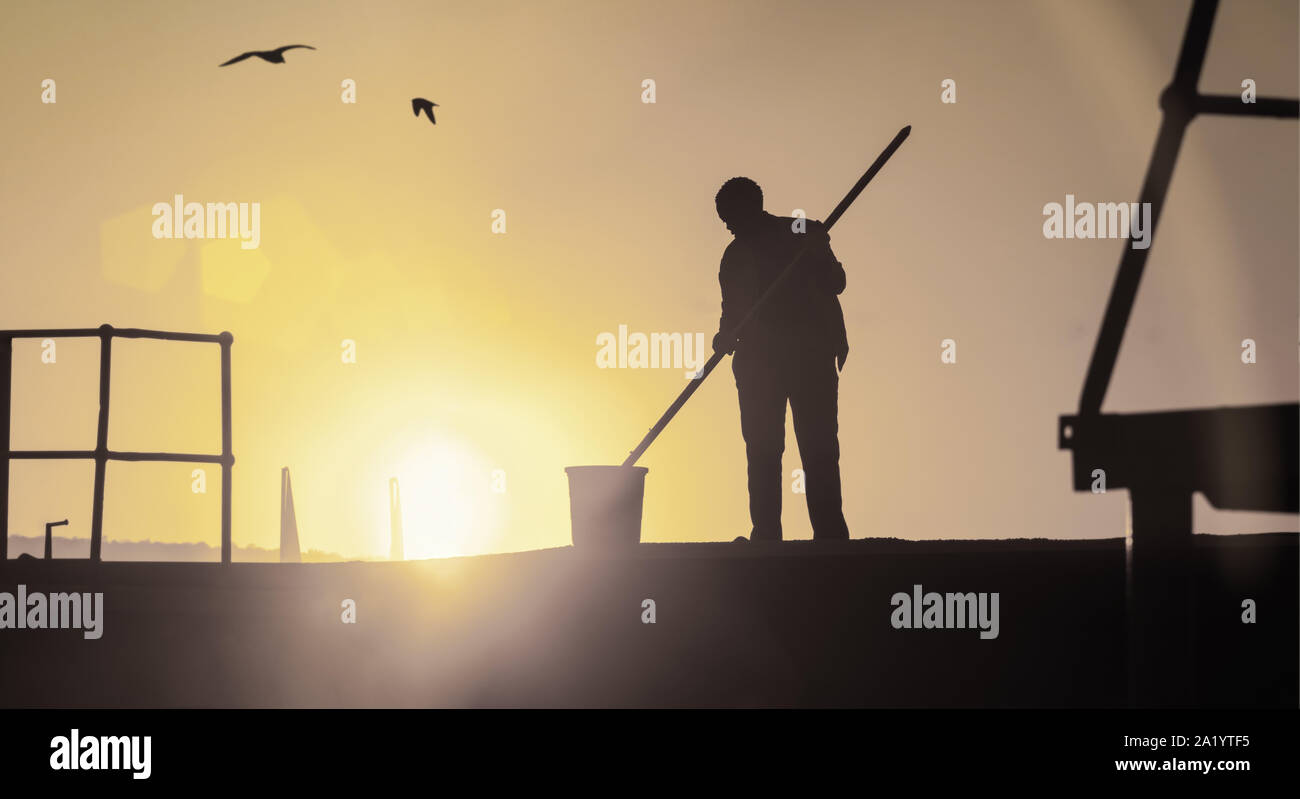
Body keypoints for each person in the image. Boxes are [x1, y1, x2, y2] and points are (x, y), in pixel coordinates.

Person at [712, 176, 851, 542]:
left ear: (750, 208)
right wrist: (724, 336)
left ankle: (831, 537)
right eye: (723, 218)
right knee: (762, 447)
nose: (727, 225)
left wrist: (817, 253)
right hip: (759, 364)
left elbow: (836, 281)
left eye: (729, 216)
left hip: (809, 357)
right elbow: (733, 312)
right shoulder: (735, 256)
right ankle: (767, 534)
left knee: (818, 445)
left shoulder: (802, 233)